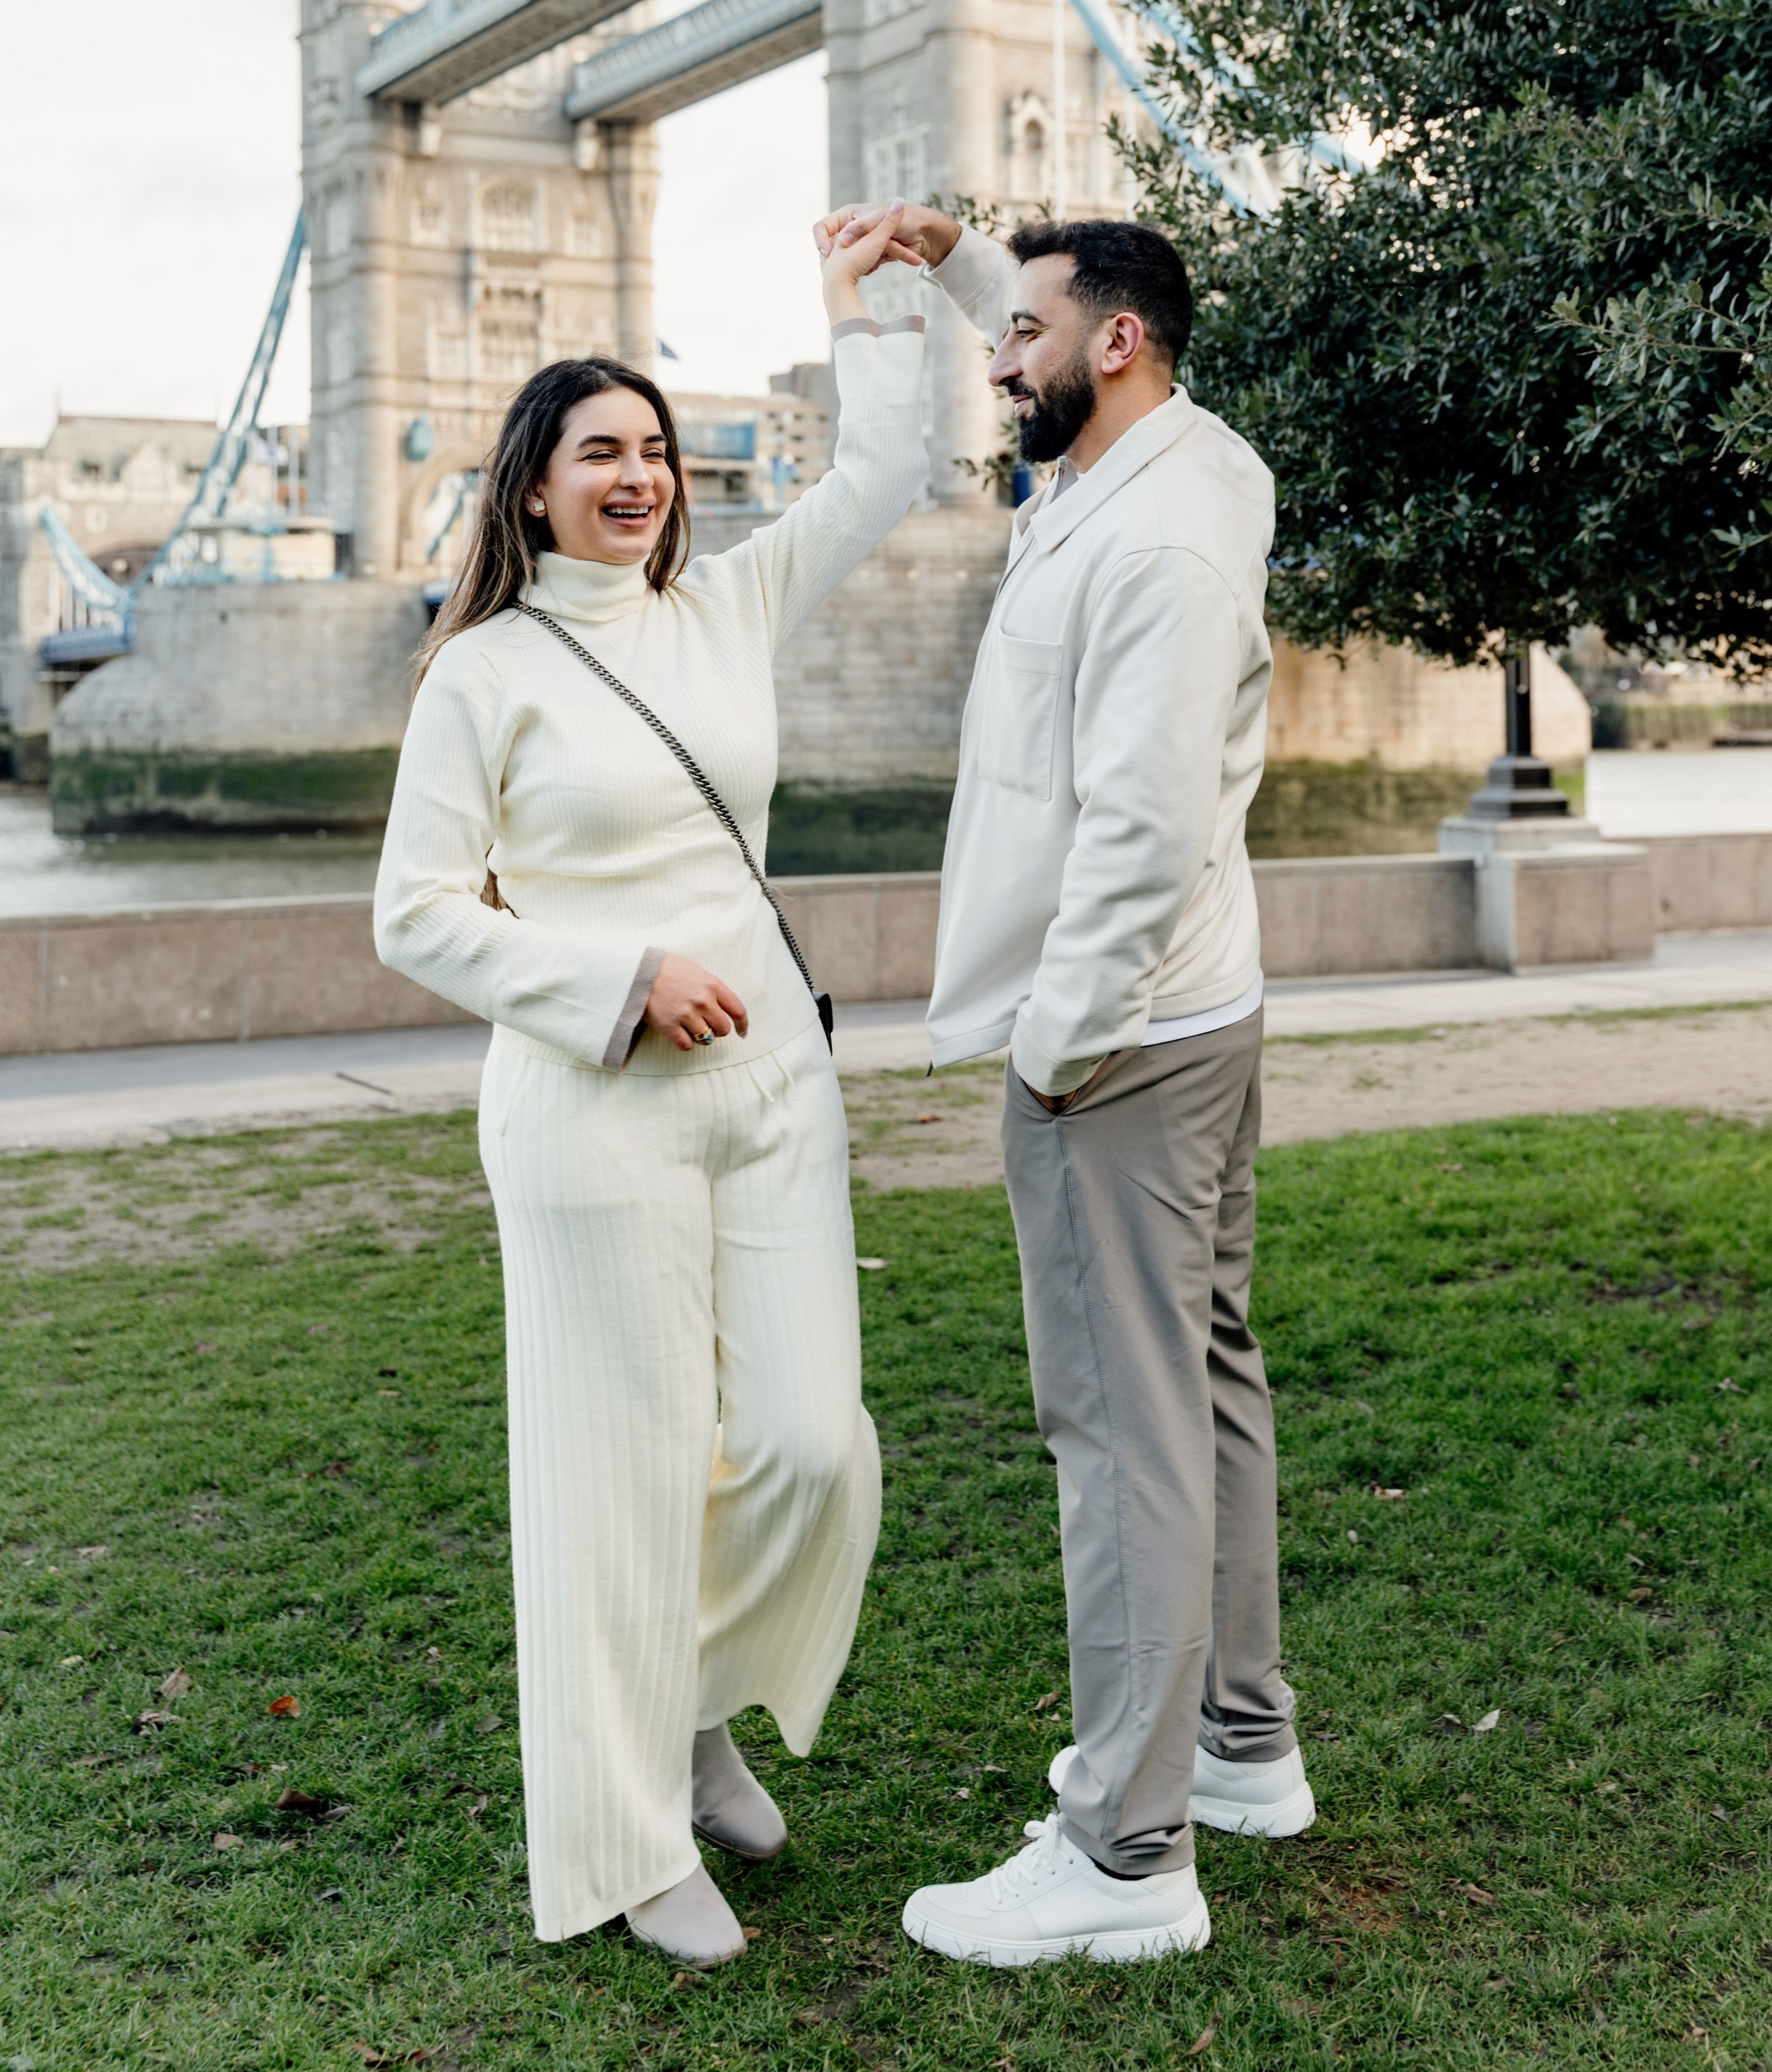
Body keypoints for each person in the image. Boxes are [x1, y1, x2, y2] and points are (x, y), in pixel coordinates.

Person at [374, 205, 927, 1970]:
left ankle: (693, 1707)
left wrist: (870, 308)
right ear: (532, 486)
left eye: (657, 451)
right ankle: (624, 1839)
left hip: (773, 1089)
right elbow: (414, 915)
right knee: (613, 1478)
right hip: (587, 1102)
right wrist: (612, 979)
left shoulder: (731, 606)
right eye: (600, 451)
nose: (638, 476)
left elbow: (892, 464)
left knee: (805, 1441)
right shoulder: (485, 671)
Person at [815, 203, 1310, 1966]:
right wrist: (960, 259)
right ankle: (1241, 1745)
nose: (995, 354)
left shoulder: (1156, 537)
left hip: (1120, 1035)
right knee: (1208, 1381)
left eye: (1019, 328)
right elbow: (1048, 359)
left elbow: (1146, 818)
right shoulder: (1183, 458)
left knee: (1118, 1431)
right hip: (1197, 1007)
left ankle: (1121, 1847)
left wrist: (1054, 1042)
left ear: (1113, 343)